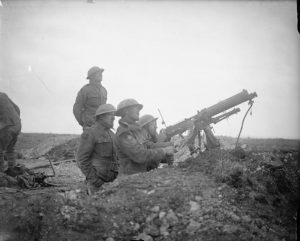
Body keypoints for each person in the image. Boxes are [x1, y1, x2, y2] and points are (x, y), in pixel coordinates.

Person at [115, 99, 175, 175]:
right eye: (135, 108)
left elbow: (149, 146)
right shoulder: (124, 132)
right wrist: (164, 151)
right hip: (130, 177)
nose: (138, 111)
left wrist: (169, 146)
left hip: (141, 174)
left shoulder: (135, 130)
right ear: (126, 111)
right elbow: (139, 155)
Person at [76, 103, 118, 195]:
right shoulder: (90, 133)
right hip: (97, 184)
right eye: (111, 115)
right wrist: (95, 181)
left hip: (112, 182)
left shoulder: (112, 134)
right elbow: (81, 160)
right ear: (101, 117)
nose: (113, 118)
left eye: (114, 115)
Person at [0, 92, 21, 172]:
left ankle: (1, 173)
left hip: (6, 126)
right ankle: (12, 170)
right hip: (17, 124)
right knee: (10, 149)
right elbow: (17, 108)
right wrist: (15, 121)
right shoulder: (3, 95)